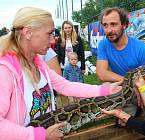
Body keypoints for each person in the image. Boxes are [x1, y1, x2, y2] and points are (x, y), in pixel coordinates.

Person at [0, 7, 122, 140]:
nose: (53, 40)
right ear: (28, 33)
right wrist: (40, 135)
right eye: (49, 34)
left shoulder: (39, 65)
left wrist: (107, 90)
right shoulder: (5, 72)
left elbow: (65, 86)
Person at [96, 7, 145, 116]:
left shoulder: (141, 48)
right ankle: (132, 110)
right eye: (105, 25)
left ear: (125, 25)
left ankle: (138, 110)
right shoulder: (103, 45)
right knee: (107, 85)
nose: (108, 30)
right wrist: (130, 83)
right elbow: (101, 74)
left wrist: (138, 85)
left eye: (113, 24)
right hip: (128, 87)